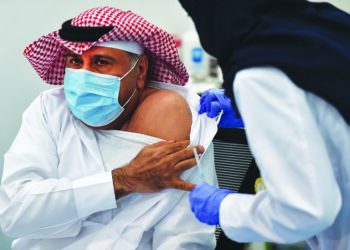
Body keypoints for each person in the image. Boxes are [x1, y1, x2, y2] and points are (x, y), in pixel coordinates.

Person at [0, 6, 218, 249]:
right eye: (75, 61)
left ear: (141, 70)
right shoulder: (49, 111)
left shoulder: (177, 117)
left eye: (101, 62)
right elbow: (15, 213)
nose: (83, 75)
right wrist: (120, 181)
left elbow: (185, 238)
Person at [177, 0, 350, 249]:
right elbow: (327, 108)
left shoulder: (258, 71)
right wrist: (248, 113)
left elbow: (305, 211)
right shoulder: (326, 23)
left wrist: (225, 208)